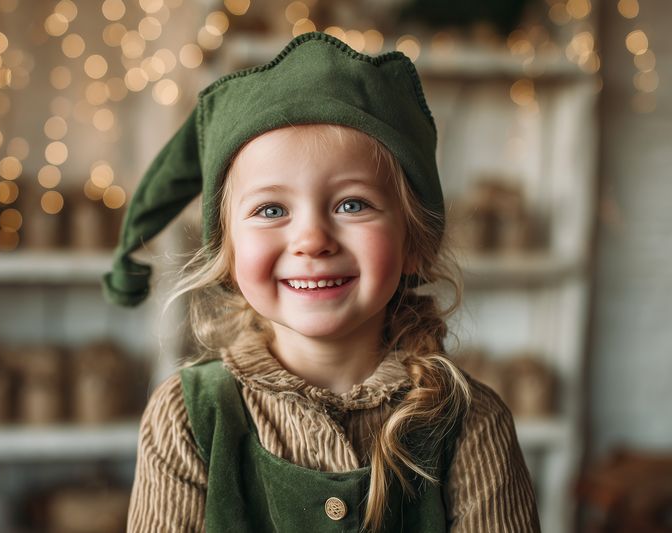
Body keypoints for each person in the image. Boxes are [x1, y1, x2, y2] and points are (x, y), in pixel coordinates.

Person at [103, 31, 540, 532]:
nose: (312, 240)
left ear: (415, 243)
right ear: (227, 253)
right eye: (271, 210)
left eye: (352, 204)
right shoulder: (187, 419)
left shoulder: (470, 425)